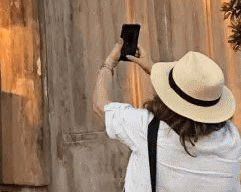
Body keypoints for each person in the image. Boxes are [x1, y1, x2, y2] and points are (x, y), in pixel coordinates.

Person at [93, 33, 241, 190]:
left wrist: (109, 63)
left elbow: (100, 104)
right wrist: (153, 68)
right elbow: (191, 98)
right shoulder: (231, 138)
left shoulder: (147, 129)